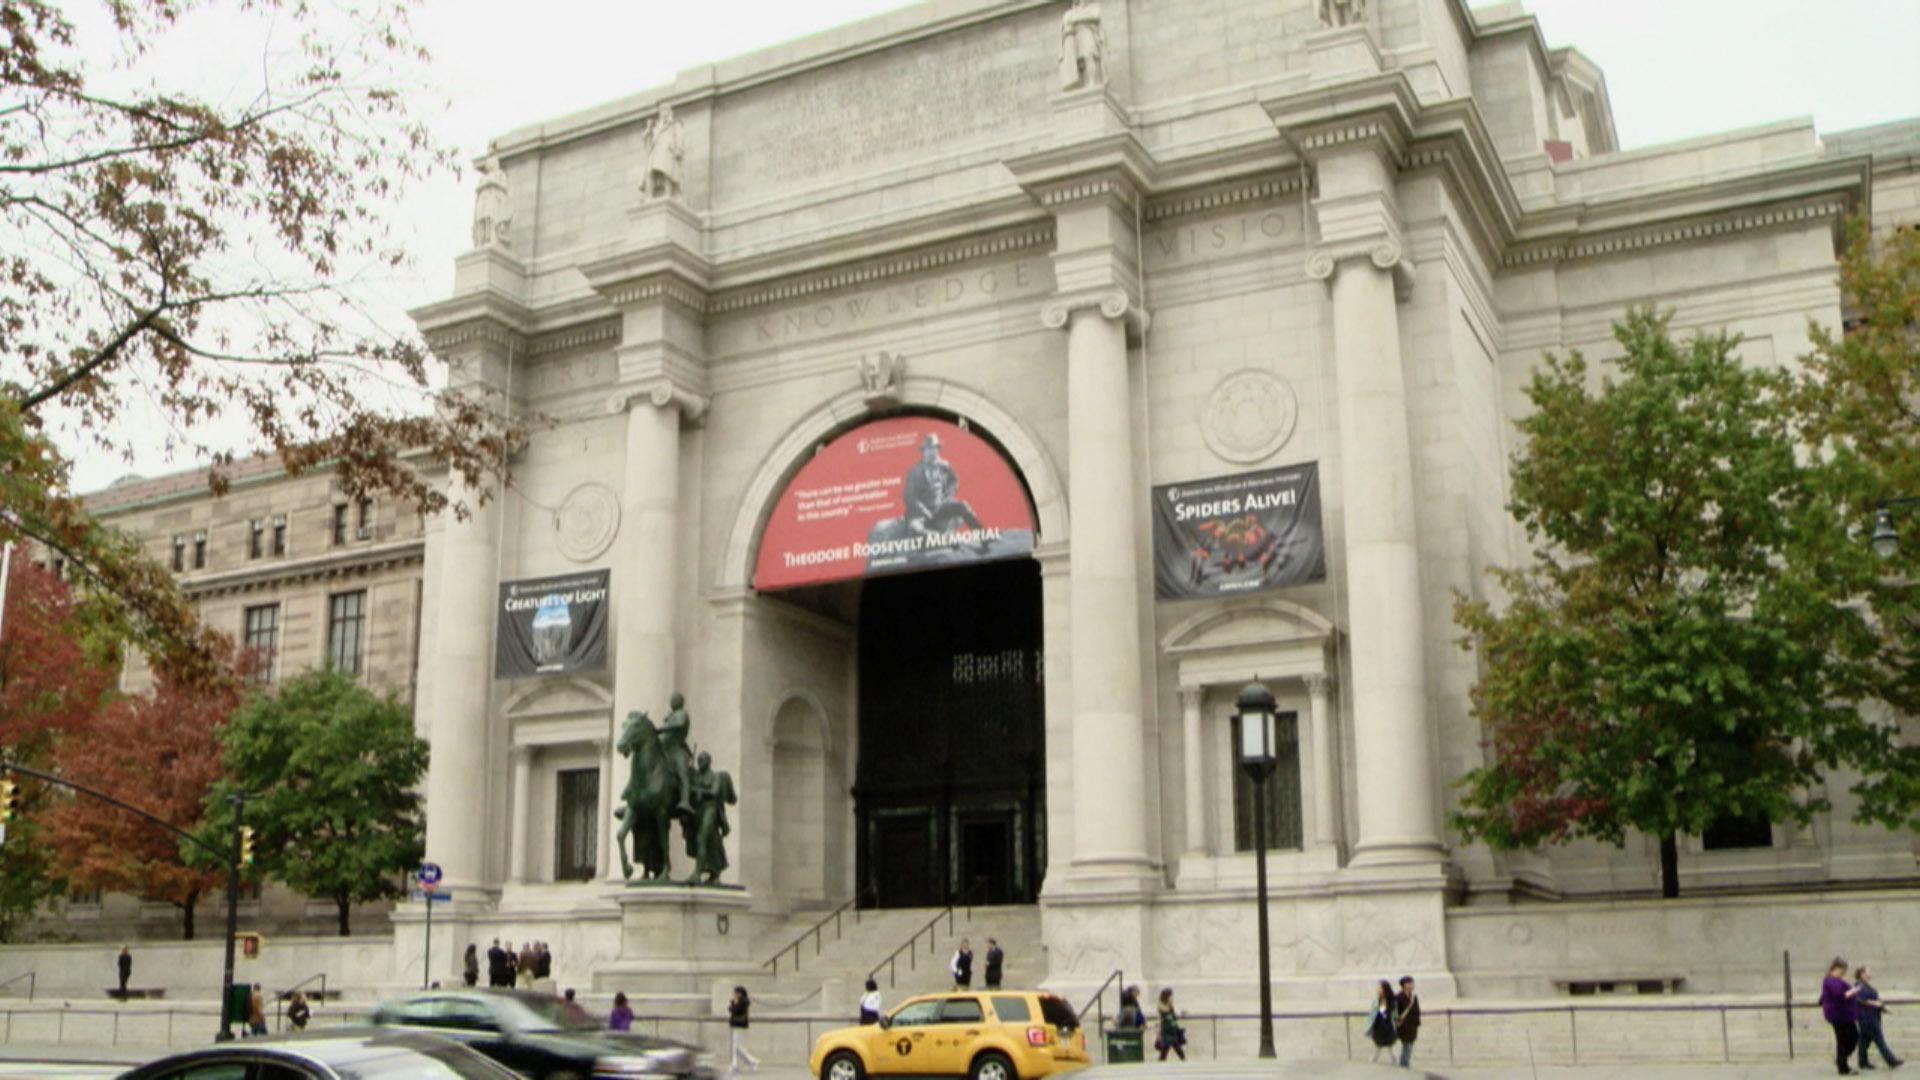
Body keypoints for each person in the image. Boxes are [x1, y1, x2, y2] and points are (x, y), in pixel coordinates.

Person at [1855, 964, 1903, 1070]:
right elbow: (1859, 1000)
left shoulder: (1865, 985)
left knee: (1864, 1041)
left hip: (1870, 1016)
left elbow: (1875, 1000)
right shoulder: (1859, 986)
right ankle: (1892, 1061)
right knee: (1879, 1040)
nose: (1870, 973)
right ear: (1862, 974)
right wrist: (1874, 1003)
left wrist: (1883, 1008)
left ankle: (1862, 1062)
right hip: (1867, 1018)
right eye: (1868, 971)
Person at [1822, 957, 1863, 1075]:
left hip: (1844, 1015)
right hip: (1838, 1015)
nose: (1844, 973)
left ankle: (1842, 1063)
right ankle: (1842, 1064)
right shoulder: (1831, 980)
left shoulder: (1835, 980)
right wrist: (1854, 991)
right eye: (1843, 971)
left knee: (1848, 1038)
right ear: (1837, 968)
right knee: (1847, 1038)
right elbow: (1839, 995)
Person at [727, 986, 759, 1076]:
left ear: (739, 993)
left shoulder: (742, 1001)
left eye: (735, 992)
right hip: (737, 1025)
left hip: (739, 1025)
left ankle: (751, 1061)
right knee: (736, 1046)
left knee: (737, 1046)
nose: (734, 994)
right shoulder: (742, 1001)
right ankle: (737, 1064)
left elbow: (733, 1010)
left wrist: (732, 1002)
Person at [1366, 980, 1398, 1064]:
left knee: (1380, 1047)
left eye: (1379, 988)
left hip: (1382, 1027)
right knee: (1384, 1047)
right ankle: (1393, 1061)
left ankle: (1374, 1061)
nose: (1377, 989)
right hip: (1385, 1026)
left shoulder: (1383, 1000)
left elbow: (1383, 1014)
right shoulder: (1385, 1000)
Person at [1393, 975, 1421, 1069]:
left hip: (1412, 1026)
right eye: (1410, 983)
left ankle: (1405, 1063)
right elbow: (1395, 1012)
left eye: (1412, 983)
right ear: (1404, 985)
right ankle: (1404, 1065)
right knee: (1406, 1045)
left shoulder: (1414, 997)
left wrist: (1417, 1023)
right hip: (1403, 1026)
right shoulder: (1398, 997)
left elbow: (1417, 1010)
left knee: (1410, 1046)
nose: (1412, 985)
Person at [1154, 988, 1186, 1062]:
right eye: (1170, 996)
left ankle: (1183, 1060)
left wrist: (1181, 1014)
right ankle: (1160, 1063)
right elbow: (1159, 1020)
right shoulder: (1161, 1007)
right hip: (1166, 1031)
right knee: (1165, 1050)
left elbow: (1174, 1017)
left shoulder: (1171, 1006)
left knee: (1178, 1048)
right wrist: (1158, 1033)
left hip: (1173, 1030)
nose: (1172, 998)